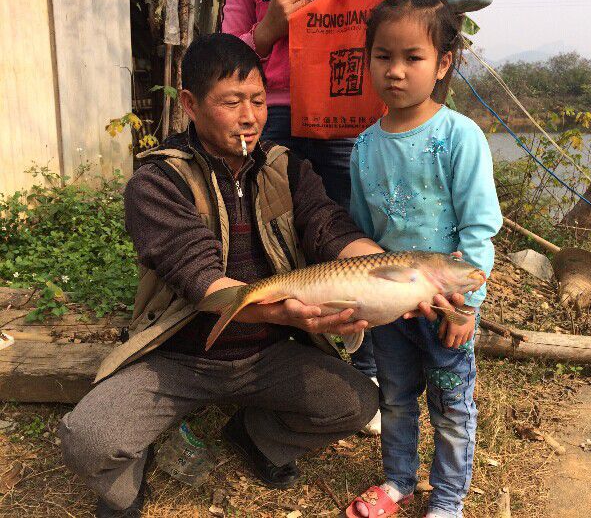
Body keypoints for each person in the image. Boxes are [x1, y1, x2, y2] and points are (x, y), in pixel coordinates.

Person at [58, 34, 383, 518]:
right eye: (231, 102)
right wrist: (293, 315)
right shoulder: (156, 183)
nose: (249, 116)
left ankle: (255, 436)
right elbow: (202, 281)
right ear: (190, 104)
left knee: (356, 402)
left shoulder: (286, 168)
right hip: (177, 357)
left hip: (267, 355)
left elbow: (329, 228)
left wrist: (385, 267)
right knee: (90, 439)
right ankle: (129, 475)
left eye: (257, 100)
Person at [344, 0, 503, 517]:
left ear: (443, 63)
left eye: (412, 57)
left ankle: (450, 500)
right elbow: (363, 237)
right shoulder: (365, 147)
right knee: (394, 398)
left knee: (451, 407)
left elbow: (479, 230)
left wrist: (466, 305)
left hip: (446, 310)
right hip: (391, 310)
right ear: (367, 59)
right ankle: (398, 481)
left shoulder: (459, 137)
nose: (395, 71)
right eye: (382, 56)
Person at [222, 0, 382, 435]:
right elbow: (224, 50)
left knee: (347, 227)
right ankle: (272, 348)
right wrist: (267, 29)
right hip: (270, 108)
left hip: (345, 107)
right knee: (257, 227)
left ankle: (364, 366)